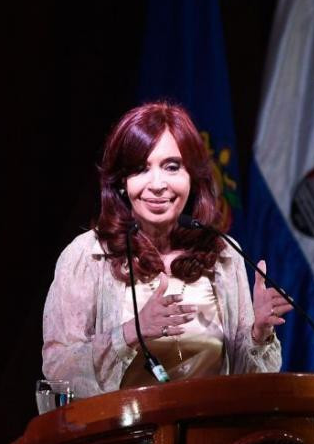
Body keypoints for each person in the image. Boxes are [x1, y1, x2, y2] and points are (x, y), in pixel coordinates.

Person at [41, 102, 290, 398]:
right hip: (123, 438)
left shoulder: (224, 253)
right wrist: (132, 332)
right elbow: (58, 369)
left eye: (172, 167)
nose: (157, 184)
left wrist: (258, 334)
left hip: (212, 437)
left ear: (192, 177)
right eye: (140, 169)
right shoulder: (88, 255)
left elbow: (246, 385)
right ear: (122, 183)